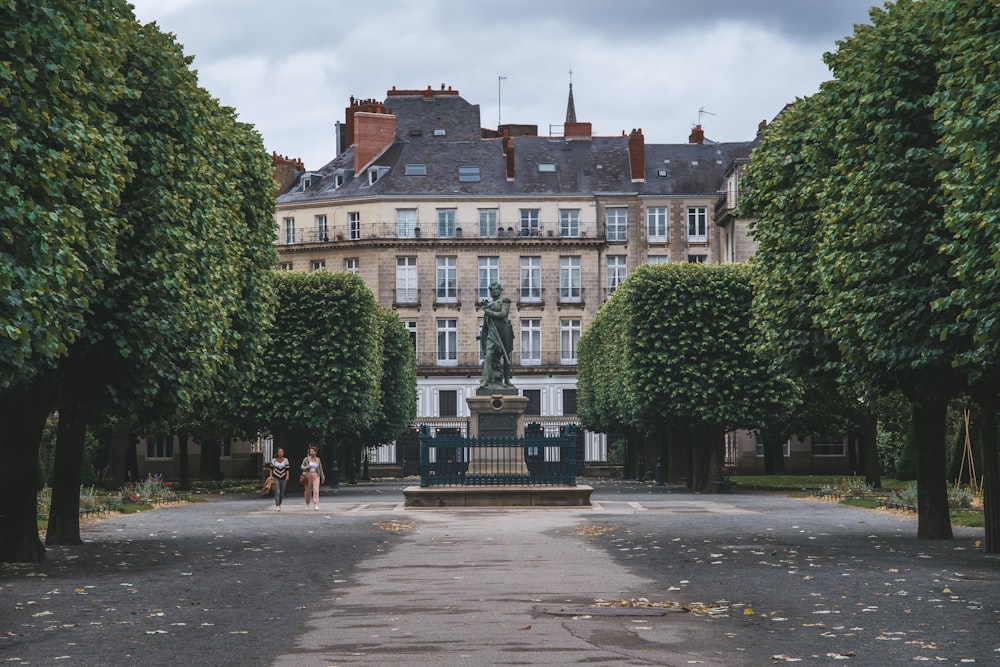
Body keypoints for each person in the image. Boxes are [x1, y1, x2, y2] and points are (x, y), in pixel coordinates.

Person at [479, 282, 514, 388]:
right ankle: (486, 379)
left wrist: (489, 312)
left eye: (496, 289)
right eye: (492, 290)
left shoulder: (505, 301)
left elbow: (503, 314)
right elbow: (486, 322)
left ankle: (507, 380)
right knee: (489, 354)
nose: (494, 291)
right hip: (492, 332)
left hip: (504, 330)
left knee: (506, 355)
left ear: (500, 290)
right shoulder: (488, 305)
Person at [300, 446, 325, 510]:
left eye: (312, 451)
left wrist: (322, 477)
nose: (311, 452)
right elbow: (302, 467)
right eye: (310, 451)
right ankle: (307, 503)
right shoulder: (306, 459)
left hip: (316, 475)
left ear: (316, 452)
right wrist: (307, 467)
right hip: (308, 476)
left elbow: (320, 468)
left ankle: (316, 504)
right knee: (308, 491)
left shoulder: (318, 459)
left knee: (316, 490)